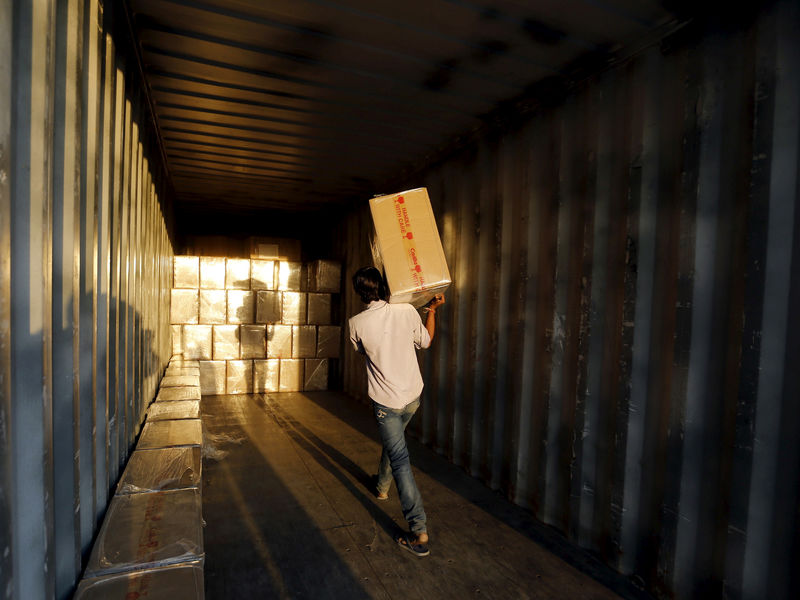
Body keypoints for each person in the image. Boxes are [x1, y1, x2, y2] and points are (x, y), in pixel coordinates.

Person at [348, 266, 445, 557]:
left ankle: (419, 532)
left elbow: (362, 351)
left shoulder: (356, 323)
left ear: (360, 292)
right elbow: (426, 342)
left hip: (386, 402)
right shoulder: (406, 312)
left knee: (400, 457)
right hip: (413, 396)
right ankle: (381, 486)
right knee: (396, 444)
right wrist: (432, 311)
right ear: (383, 285)